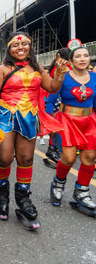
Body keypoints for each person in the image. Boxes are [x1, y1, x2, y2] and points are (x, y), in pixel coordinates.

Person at [0, 32, 64, 229]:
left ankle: (23, 199)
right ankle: (2, 195)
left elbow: (53, 87)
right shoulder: (3, 69)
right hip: (4, 116)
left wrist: (61, 72)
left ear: (30, 46)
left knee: (26, 159)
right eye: (15, 45)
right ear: (9, 49)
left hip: (29, 117)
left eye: (24, 44)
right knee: (4, 158)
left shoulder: (37, 68)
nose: (20, 48)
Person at [49, 46, 96, 216]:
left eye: (86, 56)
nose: (82, 59)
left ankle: (82, 192)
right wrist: (50, 123)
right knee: (68, 158)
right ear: (71, 61)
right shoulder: (63, 77)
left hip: (89, 121)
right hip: (67, 120)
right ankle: (58, 184)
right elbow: (50, 100)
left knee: (90, 157)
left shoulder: (95, 78)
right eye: (78, 56)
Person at [43, 48, 72, 169]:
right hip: (55, 99)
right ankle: (52, 150)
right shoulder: (61, 68)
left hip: (54, 97)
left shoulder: (59, 66)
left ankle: (53, 149)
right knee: (55, 126)